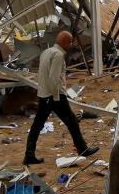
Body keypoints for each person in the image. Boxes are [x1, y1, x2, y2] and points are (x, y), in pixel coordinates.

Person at [23, 30, 98, 165]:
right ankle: (82, 148)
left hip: (44, 94)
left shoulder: (47, 52)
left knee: (38, 125)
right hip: (54, 95)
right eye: (69, 42)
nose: (71, 45)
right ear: (64, 42)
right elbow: (53, 78)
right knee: (71, 122)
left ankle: (29, 155)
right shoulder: (58, 55)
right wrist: (57, 98)